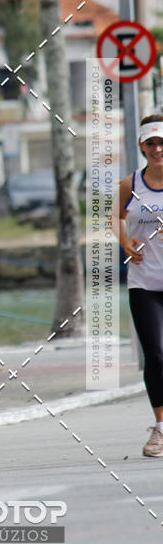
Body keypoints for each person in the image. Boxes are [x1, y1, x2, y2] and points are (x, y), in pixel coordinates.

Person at [113, 114, 163, 457]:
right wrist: (125, 242)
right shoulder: (130, 184)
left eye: (162, 142)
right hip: (144, 284)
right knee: (156, 356)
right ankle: (160, 428)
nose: (157, 149)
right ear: (141, 147)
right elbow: (113, 215)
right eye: (151, 143)